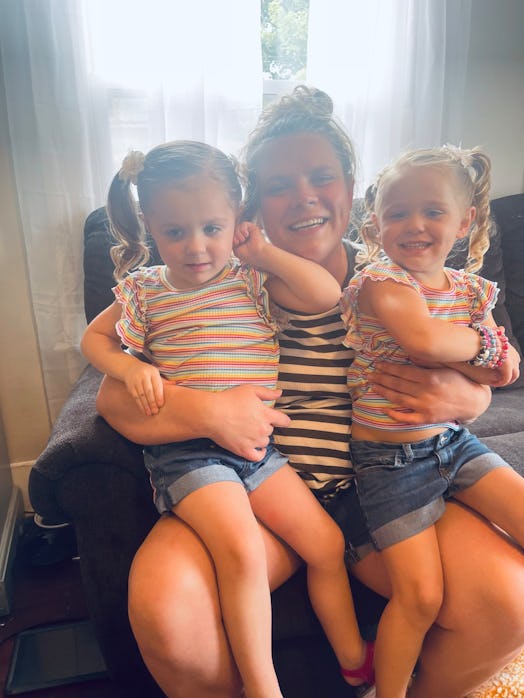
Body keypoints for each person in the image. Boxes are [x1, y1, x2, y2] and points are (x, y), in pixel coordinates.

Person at [96, 87, 524, 698]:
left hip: (384, 494)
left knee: (509, 601)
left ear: (352, 190)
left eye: (322, 177)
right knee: (167, 612)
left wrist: (473, 399)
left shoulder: (402, 277)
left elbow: (487, 351)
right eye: (278, 186)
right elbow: (111, 397)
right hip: (254, 491)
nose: (303, 197)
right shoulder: (214, 283)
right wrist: (211, 411)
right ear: (251, 207)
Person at [81, 139, 374, 698]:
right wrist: (124, 368)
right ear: (150, 227)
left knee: (326, 544)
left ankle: (355, 661)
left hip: (259, 450)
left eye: (212, 229)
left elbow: (323, 294)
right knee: (239, 551)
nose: (195, 248)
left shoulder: (248, 277)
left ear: (237, 221)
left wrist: (261, 252)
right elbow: (92, 338)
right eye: (175, 233)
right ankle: (264, 688)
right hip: (188, 453)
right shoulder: (145, 290)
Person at [340, 145, 522, 698]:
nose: (414, 225)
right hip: (390, 465)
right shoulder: (382, 282)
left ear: (465, 221)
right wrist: (490, 348)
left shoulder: (472, 289)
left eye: (433, 212)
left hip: (454, 444)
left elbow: (507, 371)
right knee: (418, 597)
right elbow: (423, 344)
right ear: (375, 224)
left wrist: (495, 359)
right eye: (397, 213)